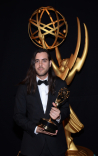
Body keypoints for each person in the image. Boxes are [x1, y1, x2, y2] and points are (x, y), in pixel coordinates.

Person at [14, 48, 70, 156]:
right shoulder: (23, 88)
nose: (40, 64)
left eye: (44, 60)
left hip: (56, 147)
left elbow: (66, 110)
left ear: (50, 64)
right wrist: (35, 128)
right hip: (31, 146)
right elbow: (18, 116)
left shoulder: (61, 84)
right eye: (37, 61)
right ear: (33, 64)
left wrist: (59, 116)